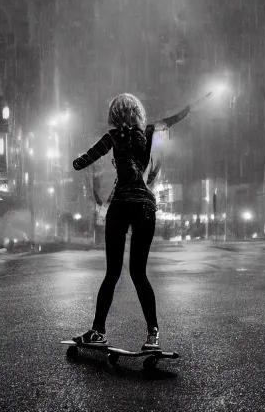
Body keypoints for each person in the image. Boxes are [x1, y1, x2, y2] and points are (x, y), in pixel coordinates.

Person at [71, 93, 193, 351]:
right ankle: (153, 335)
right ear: (138, 114)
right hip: (145, 207)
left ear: (113, 116)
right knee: (139, 273)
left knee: (112, 273)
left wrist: (78, 162)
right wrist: (187, 110)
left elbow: (87, 158)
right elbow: (172, 120)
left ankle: (98, 331)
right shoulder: (148, 132)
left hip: (122, 205)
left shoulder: (113, 137)